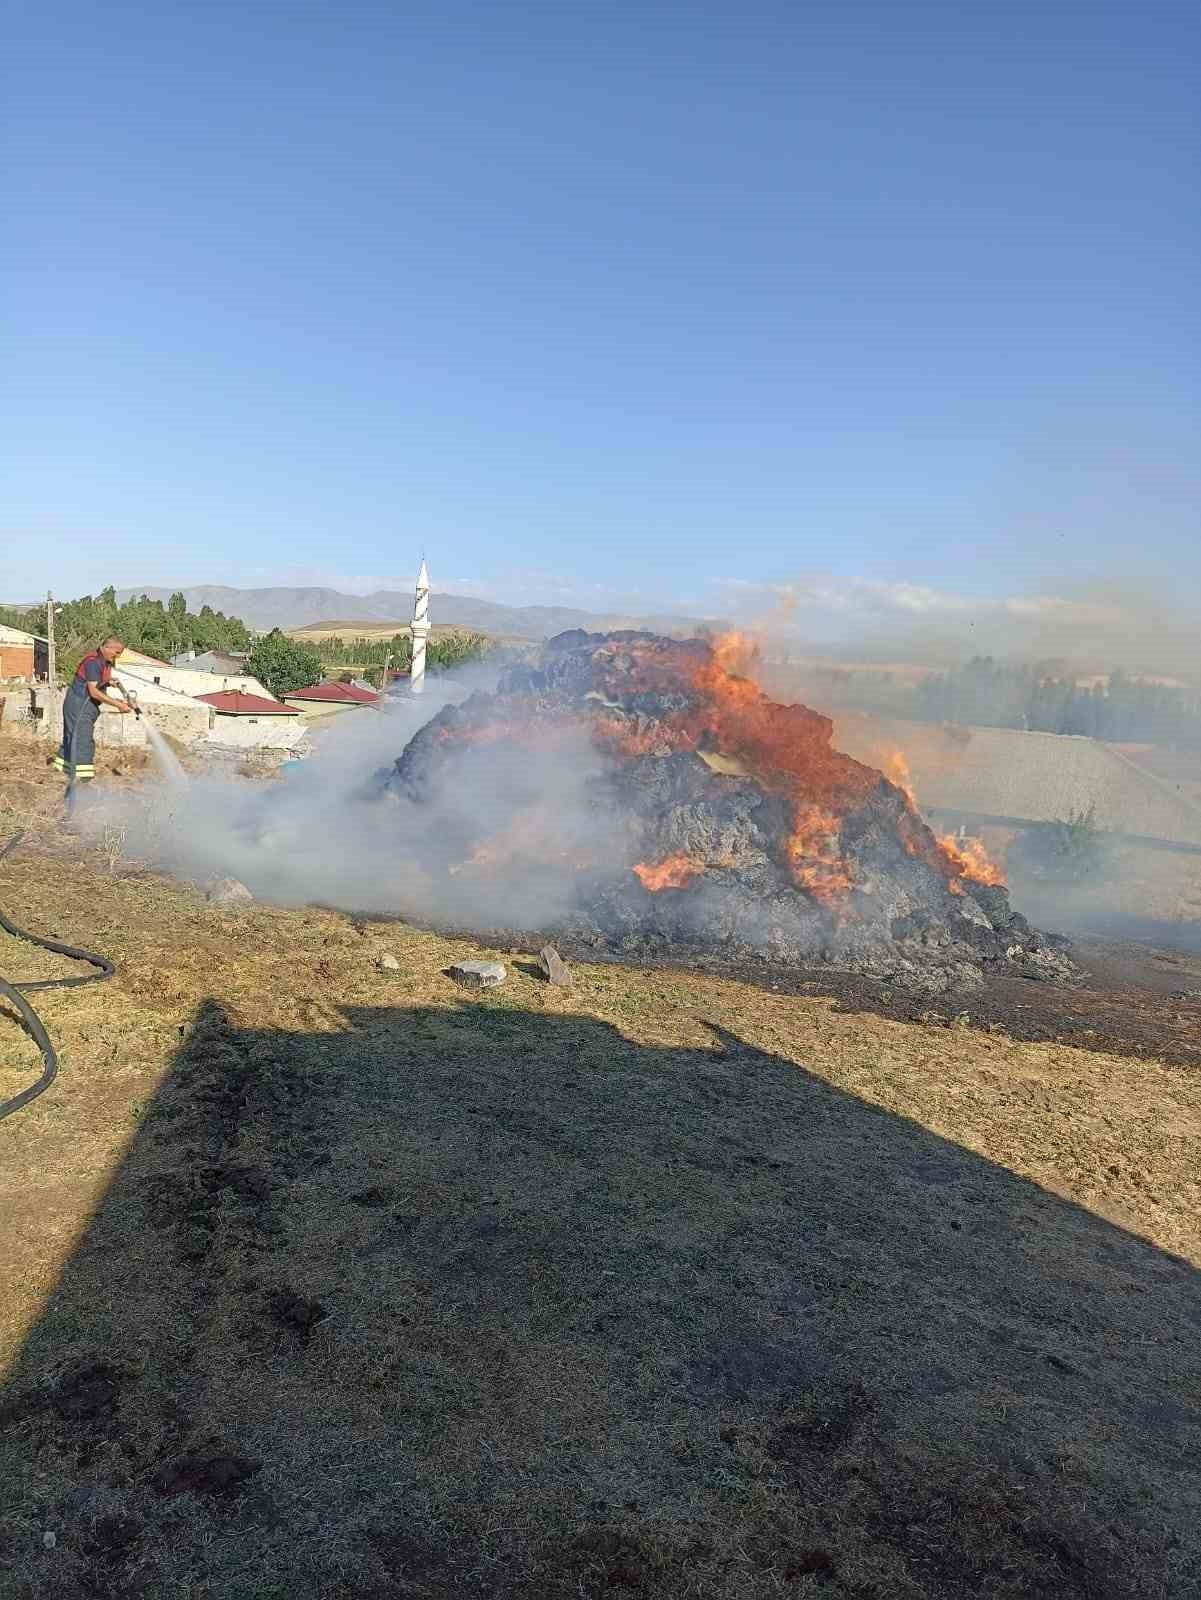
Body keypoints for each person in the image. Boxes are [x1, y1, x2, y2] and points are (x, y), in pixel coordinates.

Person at [55, 637, 134, 811]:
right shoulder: (93, 662)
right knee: (82, 741)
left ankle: (66, 773)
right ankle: (82, 785)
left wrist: (109, 682)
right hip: (79, 704)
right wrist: (118, 704)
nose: (117, 656)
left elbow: (98, 685)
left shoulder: (104, 662)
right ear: (106, 647)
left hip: (86, 705)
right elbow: (93, 691)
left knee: (74, 738)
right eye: (116, 652)